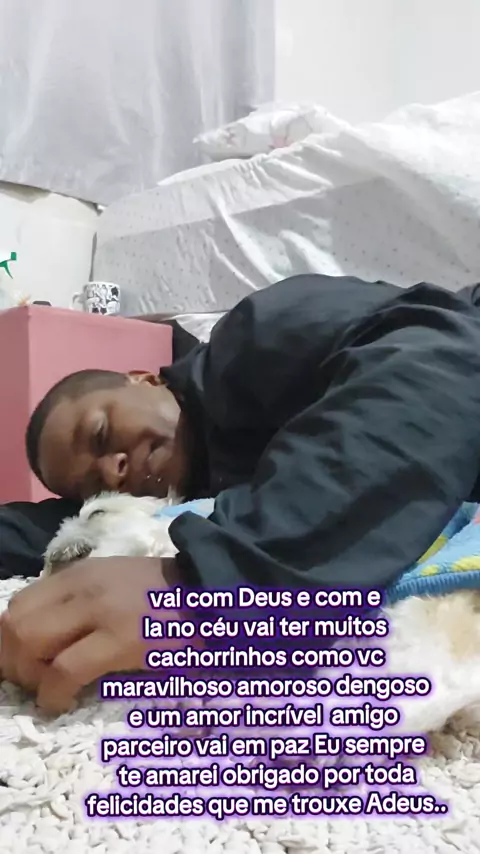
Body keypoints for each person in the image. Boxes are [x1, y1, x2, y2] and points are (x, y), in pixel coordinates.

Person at [3, 273, 480, 715]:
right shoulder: (182, 496)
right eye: (96, 483)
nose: (113, 469)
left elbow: (437, 355)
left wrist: (208, 582)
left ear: (144, 379)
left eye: (101, 434)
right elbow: (39, 529)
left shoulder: (253, 338)